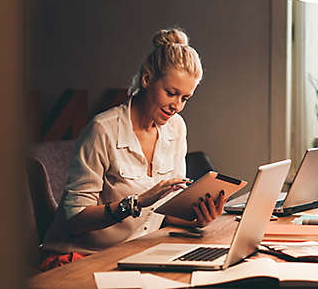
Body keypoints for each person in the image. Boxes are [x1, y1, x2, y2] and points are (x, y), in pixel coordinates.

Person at [41, 28, 225, 270]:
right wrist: (136, 203)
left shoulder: (176, 128)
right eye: (171, 93)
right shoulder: (102, 130)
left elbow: (162, 213)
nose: (177, 106)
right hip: (80, 258)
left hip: (134, 254)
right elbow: (74, 219)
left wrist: (197, 218)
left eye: (185, 98)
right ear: (147, 80)